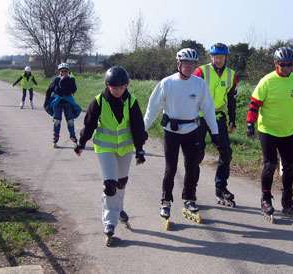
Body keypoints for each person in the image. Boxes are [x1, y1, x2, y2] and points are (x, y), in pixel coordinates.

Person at [144, 48, 219, 227]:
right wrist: (142, 130)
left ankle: (189, 199)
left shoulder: (199, 84)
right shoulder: (167, 83)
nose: (189, 67)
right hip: (171, 131)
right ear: (179, 64)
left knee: (192, 167)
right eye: (185, 63)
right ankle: (166, 201)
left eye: (192, 64)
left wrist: (215, 133)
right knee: (171, 168)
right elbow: (152, 108)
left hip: (192, 130)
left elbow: (208, 109)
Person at [74, 66, 147, 246]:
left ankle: (119, 209)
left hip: (125, 148)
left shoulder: (132, 101)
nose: (118, 90)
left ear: (126, 86)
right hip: (105, 148)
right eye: (114, 87)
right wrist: (81, 143)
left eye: (122, 87)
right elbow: (89, 124)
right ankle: (109, 223)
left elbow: (138, 128)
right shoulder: (98, 101)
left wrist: (140, 150)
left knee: (122, 182)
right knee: (110, 185)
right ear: (107, 85)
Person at [246, 47, 293, 220]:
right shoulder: (267, 81)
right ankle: (266, 199)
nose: (286, 68)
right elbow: (254, 104)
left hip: (287, 131)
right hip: (267, 130)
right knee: (270, 165)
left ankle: (287, 200)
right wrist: (250, 123)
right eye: (283, 64)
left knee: (290, 166)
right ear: (276, 64)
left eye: (289, 65)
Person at [193, 43, 239, 207]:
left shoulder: (231, 75)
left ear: (226, 57)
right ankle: (190, 191)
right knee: (196, 154)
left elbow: (232, 98)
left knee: (226, 152)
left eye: (221, 57)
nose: (218, 60)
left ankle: (221, 188)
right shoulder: (201, 71)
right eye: (215, 57)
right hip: (199, 116)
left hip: (218, 116)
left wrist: (232, 119)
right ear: (211, 57)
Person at [44, 63, 81, 148]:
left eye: (65, 71)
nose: (64, 72)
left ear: (68, 72)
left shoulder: (71, 80)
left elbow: (73, 89)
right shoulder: (56, 79)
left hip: (68, 102)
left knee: (70, 121)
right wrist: (47, 101)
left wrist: (66, 82)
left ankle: (73, 138)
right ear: (59, 72)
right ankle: (55, 139)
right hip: (57, 102)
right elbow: (49, 90)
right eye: (62, 71)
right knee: (57, 121)